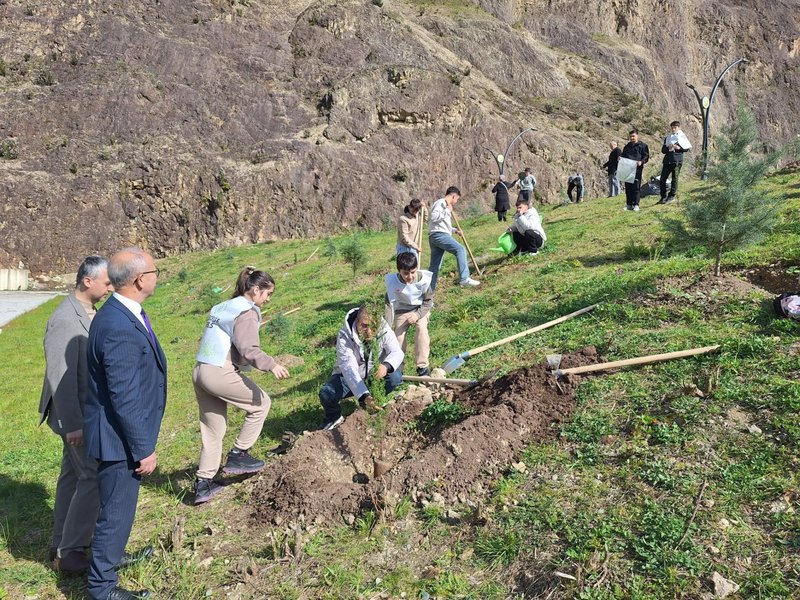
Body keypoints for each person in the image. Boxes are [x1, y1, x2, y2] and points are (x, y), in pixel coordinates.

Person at [84, 247, 166, 600]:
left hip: (119, 436)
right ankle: (102, 589)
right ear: (139, 279)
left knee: (118, 510)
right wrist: (143, 449)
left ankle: (111, 561)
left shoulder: (122, 313)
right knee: (115, 514)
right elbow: (124, 397)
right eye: (154, 270)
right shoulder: (118, 325)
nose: (157, 275)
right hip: (118, 441)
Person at [39, 256, 113, 574]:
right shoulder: (64, 319)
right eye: (107, 281)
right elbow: (61, 376)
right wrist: (73, 425)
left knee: (72, 477)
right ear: (87, 281)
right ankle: (73, 552)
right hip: (72, 415)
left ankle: (60, 544)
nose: (111, 286)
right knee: (92, 475)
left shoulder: (90, 312)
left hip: (84, 411)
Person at [192, 268, 290, 505]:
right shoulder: (247, 312)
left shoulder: (224, 306)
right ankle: (239, 454)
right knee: (261, 403)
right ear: (255, 290)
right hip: (218, 371)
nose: (267, 300)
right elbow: (248, 349)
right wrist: (271, 365)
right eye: (268, 294)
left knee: (213, 428)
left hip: (200, 370)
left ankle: (203, 483)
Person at [318, 305, 404, 431]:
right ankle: (334, 418)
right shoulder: (344, 336)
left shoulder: (383, 328)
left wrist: (385, 366)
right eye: (364, 326)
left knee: (395, 377)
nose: (369, 331)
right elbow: (349, 369)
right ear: (357, 322)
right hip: (347, 378)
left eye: (373, 326)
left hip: (371, 374)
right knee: (327, 393)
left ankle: (374, 402)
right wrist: (364, 396)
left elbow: (397, 351)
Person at [385, 252, 434, 378]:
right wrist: (388, 325)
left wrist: (417, 315)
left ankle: (422, 367)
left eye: (412, 272)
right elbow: (388, 304)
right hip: (402, 310)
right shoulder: (393, 282)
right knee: (398, 338)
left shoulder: (424, 280)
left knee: (421, 330)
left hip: (420, 308)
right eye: (405, 273)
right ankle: (397, 368)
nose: (410, 276)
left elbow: (428, 302)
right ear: (399, 271)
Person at [428, 186, 480, 290]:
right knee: (460, 250)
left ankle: (428, 295)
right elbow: (433, 218)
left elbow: (441, 224)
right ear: (453, 196)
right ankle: (464, 278)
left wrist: (454, 230)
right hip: (439, 235)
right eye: (457, 199)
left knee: (435, 267)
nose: (456, 202)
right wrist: (447, 211)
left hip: (435, 234)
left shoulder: (444, 205)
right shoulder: (441, 203)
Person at [659, 120, 691, 204]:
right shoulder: (668, 138)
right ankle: (663, 196)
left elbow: (687, 148)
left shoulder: (682, 137)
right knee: (662, 179)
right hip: (667, 161)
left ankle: (671, 196)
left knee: (674, 179)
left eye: (675, 127)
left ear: (679, 128)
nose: (673, 129)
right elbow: (663, 150)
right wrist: (668, 147)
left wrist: (679, 148)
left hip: (677, 160)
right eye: (672, 128)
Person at [621, 129, 649, 211]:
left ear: (637, 136)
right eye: (630, 136)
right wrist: (620, 158)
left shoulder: (643, 146)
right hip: (627, 168)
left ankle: (636, 204)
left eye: (633, 136)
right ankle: (629, 204)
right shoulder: (627, 146)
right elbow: (624, 156)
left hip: (637, 169)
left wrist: (641, 162)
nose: (632, 138)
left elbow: (646, 157)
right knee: (628, 187)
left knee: (636, 187)